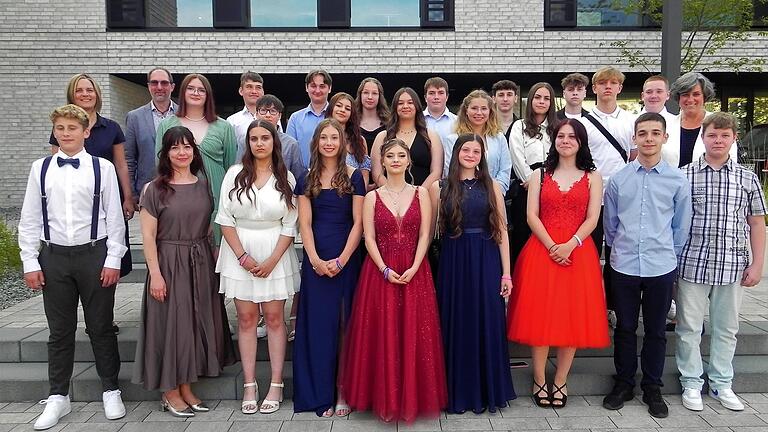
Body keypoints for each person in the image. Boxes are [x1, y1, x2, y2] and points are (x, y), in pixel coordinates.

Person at [19, 104, 127, 430]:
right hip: (54, 257)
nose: (66, 133)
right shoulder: (40, 168)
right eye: (61, 129)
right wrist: (29, 261)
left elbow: (115, 218)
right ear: (55, 132)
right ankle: (58, 397)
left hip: (94, 254)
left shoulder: (102, 168)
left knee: (101, 326)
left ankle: (111, 388)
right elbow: (29, 218)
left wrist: (113, 259)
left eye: (72, 128)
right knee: (60, 331)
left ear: (86, 132)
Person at [133, 126, 236, 416]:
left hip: (200, 259)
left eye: (187, 147)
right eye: (175, 148)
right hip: (168, 261)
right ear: (166, 153)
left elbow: (207, 225)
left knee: (194, 324)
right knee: (171, 326)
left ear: (194, 150)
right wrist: (155, 273)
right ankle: (169, 390)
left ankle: (187, 386)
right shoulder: (154, 189)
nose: (182, 153)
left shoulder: (204, 184)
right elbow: (149, 237)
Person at [342, 138, 447, 422]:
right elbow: (369, 237)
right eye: (391, 156)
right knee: (382, 333)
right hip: (380, 272)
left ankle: (411, 397)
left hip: (416, 270)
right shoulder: (373, 196)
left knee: (414, 333)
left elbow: (426, 234)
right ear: (383, 162)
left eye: (402, 155)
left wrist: (415, 265)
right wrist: (385, 269)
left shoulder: (421, 193)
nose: (396, 160)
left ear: (409, 161)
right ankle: (383, 399)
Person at [506, 119, 609, 409]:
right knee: (541, 316)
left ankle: (561, 378)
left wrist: (570, 244)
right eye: (561, 136)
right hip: (542, 251)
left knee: (571, 317)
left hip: (578, 252)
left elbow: (592, 218)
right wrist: (552, 245)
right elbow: (531, 216)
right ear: (554, 140)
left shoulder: (593, 177)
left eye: (572, 137)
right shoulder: (540, 174)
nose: (565, 141)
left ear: (581, 142)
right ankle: (539, 377)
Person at [602, 112, 692, 419]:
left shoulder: (678, 180)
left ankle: (653, 387)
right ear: (635, 138)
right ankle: (624, 383)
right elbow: (610, 224)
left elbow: (681, 227)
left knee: (655, 330)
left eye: (655, 133)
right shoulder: (619, 180)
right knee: (626, 328)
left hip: (660, 265)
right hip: (624, 265)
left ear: (665, 137)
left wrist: (670, 256)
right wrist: (619, 251)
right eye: (643, 133)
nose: (649, 138)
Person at [676, 112, 766, 412]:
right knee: (689, 327)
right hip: (692, 262)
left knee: (726, 328)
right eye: (712, 135)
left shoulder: (747, 177)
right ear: (703, 137)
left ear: (733, 139)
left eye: (724, 135)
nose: (718, 140)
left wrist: (757, 264)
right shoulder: (685, 175)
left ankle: (721, 383)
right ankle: (691, 382)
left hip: (731, 264)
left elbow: (756, 223)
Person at [216, 119, 300, 414]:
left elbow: (290, 223)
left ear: (274, 142)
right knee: (247, 319)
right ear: (247, 143)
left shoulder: (285, 177)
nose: (259, 143)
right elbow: (225, 218)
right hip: (240, 252)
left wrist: (273, 260)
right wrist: (242, 257)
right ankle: (250, 383)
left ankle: (276, 383)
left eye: (265, 137)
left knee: (276, 319)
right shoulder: (233, 174)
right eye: (254, 138)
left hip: (275, 252)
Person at [431, 133, 515, 414]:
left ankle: (485, 390)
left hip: (486, 259)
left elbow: (501, 231)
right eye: (465, 150)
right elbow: (429, 231)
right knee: (455, 322)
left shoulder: (491, 186)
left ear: (482, 156)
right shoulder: (441, 187)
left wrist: (506, 274)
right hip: (453, 262)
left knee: (486, 321)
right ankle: (455, 391)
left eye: (476, 151)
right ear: (456, 153)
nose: (470, 155)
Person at [292, 118, 365, 417]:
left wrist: (343, 259)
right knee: (320, 327)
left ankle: (344, 391)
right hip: (316, 260)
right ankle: (321, 393)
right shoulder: (305, 179)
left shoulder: (355, 176)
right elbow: (304, 224)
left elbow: (359, 222)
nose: (330, 142)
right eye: (324, 137)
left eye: (335, 137)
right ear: (317, 142)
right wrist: (315, 260)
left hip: (347, 257)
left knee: (347, 325)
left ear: (343, 142)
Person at [50, 73, 133, 286]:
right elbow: (55, 167)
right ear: (72, 94)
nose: (85, 94)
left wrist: (127, 197)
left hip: (108, 199)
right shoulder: (62, 129)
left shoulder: (111, 127)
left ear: (97, 93)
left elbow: (121, 164)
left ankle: (105, 314)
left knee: (112, 259)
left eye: (89, 89)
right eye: (79, 90)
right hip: (78, 201)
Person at [155, 73, 237, 248]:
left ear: (208, 95)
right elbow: (160, 164)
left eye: (201, 90)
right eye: (191, 88)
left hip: (216, 197)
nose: (196, 93)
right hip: (177, 197)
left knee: (216, 253)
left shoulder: (223, 127)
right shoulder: (167, 125)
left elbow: (230, 166)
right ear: (183, 92)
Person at [507, 82, 558, 266]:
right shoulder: (518, 126)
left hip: (553, 187)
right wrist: (532, 181)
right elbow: (517, 156)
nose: (542, 102)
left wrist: (548, 183)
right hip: (526, 187)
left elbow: (561, 156)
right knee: (523, 235)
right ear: (530, 100)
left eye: (546, 98)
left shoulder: (557, 128)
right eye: (537, 97)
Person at [442, 89, 513, 194]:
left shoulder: (499, 138)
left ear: (490, 111)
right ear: (466, 110)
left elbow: (505, 170)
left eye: (484, 108)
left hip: (494, 196)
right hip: (461, 196)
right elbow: (450, 171)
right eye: (474, 108)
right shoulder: (452, 139)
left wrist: (495, 193)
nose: (479, 113)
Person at [125, 67, 178, 205]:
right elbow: (129, 159)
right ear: (148, 87)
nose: (159, 87)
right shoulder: (134, 117)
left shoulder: (183, 114)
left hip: (180, 188)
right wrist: (131, 193)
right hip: (147, 190)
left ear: (172, 87)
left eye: (164, 83)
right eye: (154, 83)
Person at [371, 87, 443, 187]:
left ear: (417, 106)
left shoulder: (431, 136)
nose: (405, 106)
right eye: (400, 103)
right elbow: (377, 174)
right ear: (395, 107)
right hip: (389, 198)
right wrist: (394, 193)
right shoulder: (382, 137)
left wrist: (418, 194)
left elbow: (436, 172)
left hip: (423, 197)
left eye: (410, 102)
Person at [667, 72, 738, 168]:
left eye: (696, 94)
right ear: (678, 98)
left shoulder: (720, 124)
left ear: (704, 97)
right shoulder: (666, 125)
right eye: (685, 94)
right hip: (670, 182)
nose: (690, 99)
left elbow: (731, 161)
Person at [254, 94, 307, 181]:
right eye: (263, 110)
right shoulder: (247, 140)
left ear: (279, 115)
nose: (268, 115)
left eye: (273, 111)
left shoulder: (291, 144)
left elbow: (298, 176)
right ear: (256, 114)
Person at [287, 69, 332, 168]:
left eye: (322, 86)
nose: (317, 90)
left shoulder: (337, 116)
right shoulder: (295, 119)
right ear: (306, 88)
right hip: (302, 178)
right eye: (313, 86)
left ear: (329, 88)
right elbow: (289, 152)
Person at [327, 92, 371, 185]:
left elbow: (364, 175)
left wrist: (360, 195)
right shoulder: (320, 138)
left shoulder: (360, 141)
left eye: (347, 108)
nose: (342, 110)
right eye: (339, 106)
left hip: (355, 194)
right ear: (331, 108)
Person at [226, 71, 267, 160]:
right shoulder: (232, 121)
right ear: (241, 91)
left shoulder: (271, 117)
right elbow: (229, 152)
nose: (254, 91)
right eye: (249, 87)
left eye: (258, 87)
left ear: (263, 92)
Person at [355, 77, 390, 153]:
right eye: (366, 93)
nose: (370, 97)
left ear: (380, 96)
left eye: (374, 93)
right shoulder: (351, 122)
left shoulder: (389, 123)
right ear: (360, 95)